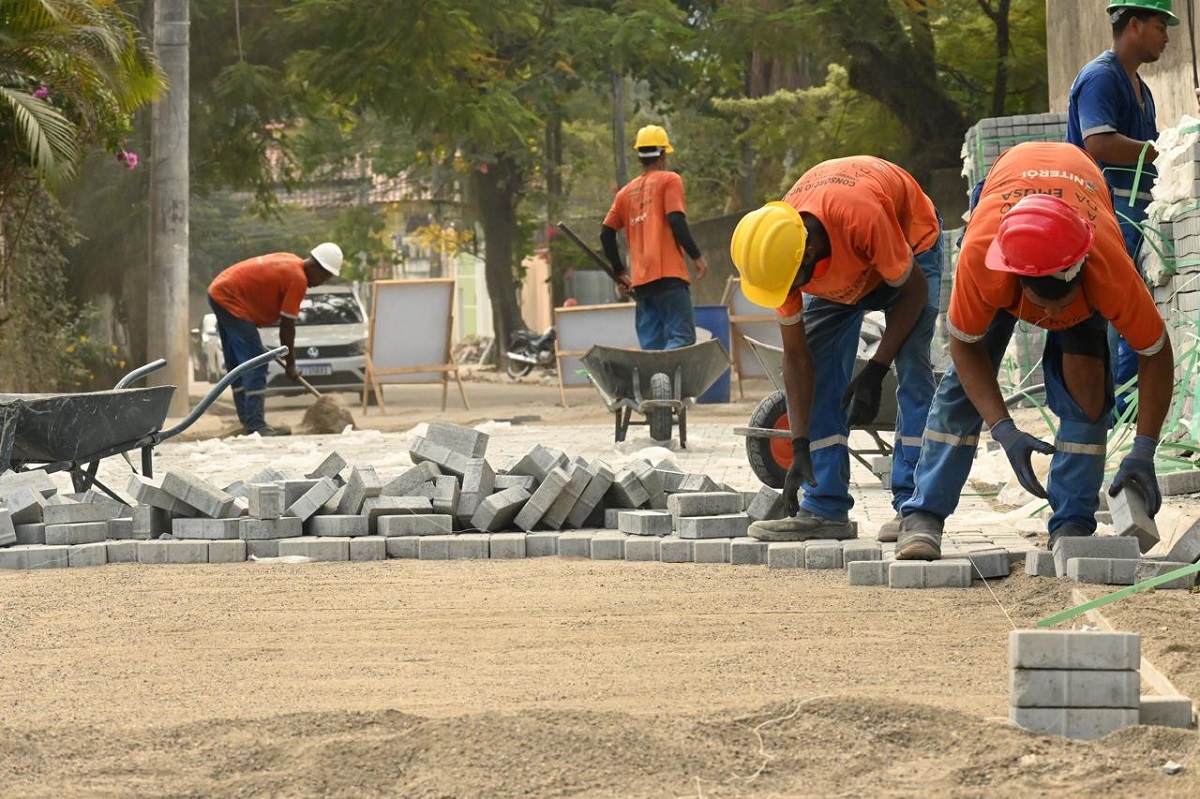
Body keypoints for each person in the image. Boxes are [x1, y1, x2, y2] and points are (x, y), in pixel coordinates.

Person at [896, 142, 1174, 560]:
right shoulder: (983, 260)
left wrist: (1144, 449)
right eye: (1039, 305)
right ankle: (924, 516)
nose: (1047, 317)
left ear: (1081, 273)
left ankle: (1072, 521)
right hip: (1009, 188)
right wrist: (1003, 429)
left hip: (1082, 187)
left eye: (1060, 306)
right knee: (961, 392)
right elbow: (965, 348)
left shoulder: (1108, 267)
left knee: (1088, 390)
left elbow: (1155, 351)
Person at [729, 156, 943, 541]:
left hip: (911, 249)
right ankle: (825, 508)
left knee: (911, 366)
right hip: (846, 269)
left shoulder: (859, 215)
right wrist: (799, 446)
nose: (790, 293)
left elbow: (913, 292)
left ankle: (916, 509)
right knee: (821, 368)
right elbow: (797, 359)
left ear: (807, 253)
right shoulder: (779, 254)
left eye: (792, 283)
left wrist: (876, 371)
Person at [1066, 0, 1177, 416]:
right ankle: (1114, 414)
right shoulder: (1101, 79)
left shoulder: (1139, 87)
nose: (1166, 37)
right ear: (1134, 25)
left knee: (1135, 312)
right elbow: (1099, 142)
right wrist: (1165, 150)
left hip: (1133, 213)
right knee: (1118, 312)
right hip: (1105, 211)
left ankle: (1129, 410)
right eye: (1160, 26)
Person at [206, 242, 343, 436]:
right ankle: (256, 426)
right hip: (229, 298)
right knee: (256, 365)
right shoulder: (298, 279)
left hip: (220, 292)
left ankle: (249, 423)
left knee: (239, 366)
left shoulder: (292, 262)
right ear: (314, 267)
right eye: (323, 277)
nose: (321, 282)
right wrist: (291, 364)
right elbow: (287, 326)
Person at [600, 125, 708, 350]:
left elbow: (606, 234)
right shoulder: (670, 180)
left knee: (652, 347)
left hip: (641, 284)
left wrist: (620, 272)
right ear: (662, 155)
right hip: (669, 277)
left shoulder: (624, 194)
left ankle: (655, 385)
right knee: (682, 339)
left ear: (639, 158)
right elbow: (676, 220)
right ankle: (668, 384)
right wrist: (696, 256)